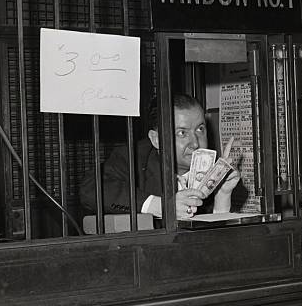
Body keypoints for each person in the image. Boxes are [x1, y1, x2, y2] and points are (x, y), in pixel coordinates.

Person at [79, 94, 240, 219]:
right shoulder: (133, 157)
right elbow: (90, 190)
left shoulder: (214, 170)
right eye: (182, 133)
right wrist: (162, 206)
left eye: (200, 129)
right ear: (156, 139)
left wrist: (222, 196)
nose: (195, 144)